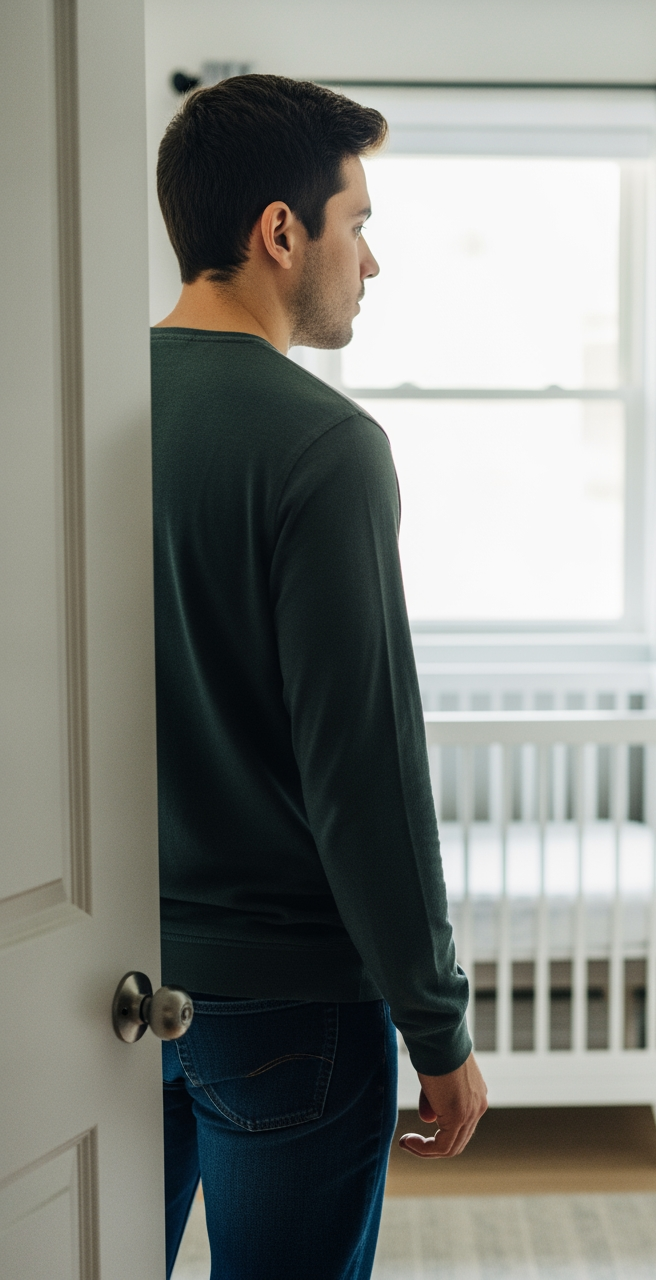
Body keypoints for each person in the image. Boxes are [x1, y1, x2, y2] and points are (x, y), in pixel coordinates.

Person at [152, 75, 487, 1280]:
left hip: (110, 983)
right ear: (280, 232)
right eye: (358, 224)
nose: (370, 263)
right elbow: (365, 773)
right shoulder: (324, 445)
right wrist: (435, 1020)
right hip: (292, 1004)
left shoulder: (80, 414)